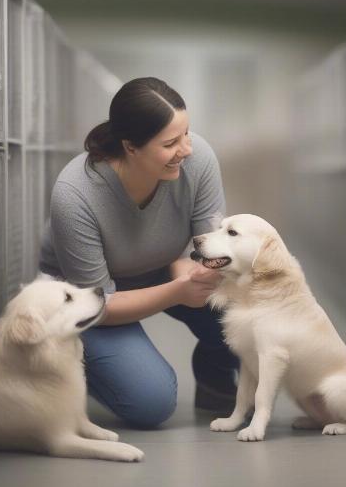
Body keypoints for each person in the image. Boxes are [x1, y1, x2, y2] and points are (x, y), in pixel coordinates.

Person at [39, 77, 239, 428]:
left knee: (244, 310)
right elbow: (99, 304)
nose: (187, 149)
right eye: (171, 143)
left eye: (187, 134)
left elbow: (212, 246)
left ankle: (214, 374)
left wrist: (189, 269)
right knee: (151, 402)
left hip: (162, 269)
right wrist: (178, 291)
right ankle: (72, 366)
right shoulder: (76, 194)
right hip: (87, 300)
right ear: (130, 146)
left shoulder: (199, 159)